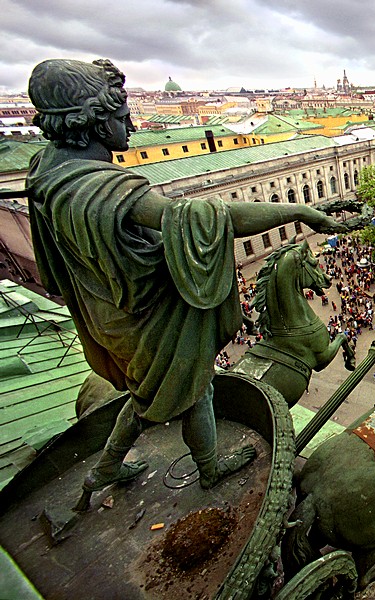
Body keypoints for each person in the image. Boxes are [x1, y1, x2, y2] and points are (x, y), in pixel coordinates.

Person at [26, 59, 350, 505]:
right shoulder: (104, 188)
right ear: (95, 123)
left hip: (106, 311)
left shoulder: (45, 170)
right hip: (145, 316)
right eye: (122, 118)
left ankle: (102, 470)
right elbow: (210, 219)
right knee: (195, 388)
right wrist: (298, 211)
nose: (132, 126)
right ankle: (208, 467)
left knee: (147, 396)